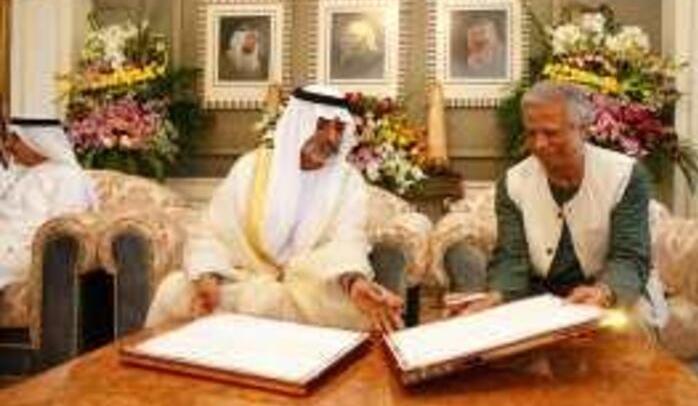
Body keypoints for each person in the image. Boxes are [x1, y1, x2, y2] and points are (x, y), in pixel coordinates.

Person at [146, 85, 404, 332]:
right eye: (322, 126)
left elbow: (348, 241)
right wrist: (208, 276)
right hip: (246, 282)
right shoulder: (251, 168)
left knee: (367, 314)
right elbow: (211, 230)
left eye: (339, 128)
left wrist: (354, 283)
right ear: (298, 125)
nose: (332, 138)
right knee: (174, 291)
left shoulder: (348, 182)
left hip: (309, 291)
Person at [446, 81, 668, 327]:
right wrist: (495, 297)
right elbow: (511, 258)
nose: (539, 144)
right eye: (531, 133)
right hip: (542, 293)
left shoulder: (625, 175)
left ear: (584, 130)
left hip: (610, 288)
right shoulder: (513, 182)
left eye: (551, 133)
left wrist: (604, 293)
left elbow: (629, 256)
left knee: (628, 325)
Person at [0, 117, 97, 291]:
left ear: (36, 142)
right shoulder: (26, 174)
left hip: (29, 253)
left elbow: (64, 228)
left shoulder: (68, 177)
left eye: (15, 139)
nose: (8, 146)